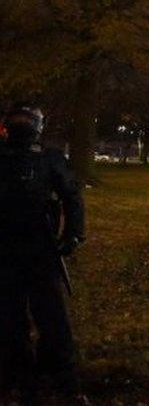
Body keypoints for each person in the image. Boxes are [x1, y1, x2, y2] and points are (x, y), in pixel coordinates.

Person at [0, 103, 86, 402]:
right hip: (6, 252)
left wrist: (74, 233)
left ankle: (63, 376)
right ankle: (17, 374)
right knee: (10, 319)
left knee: (53, 318)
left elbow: (72, 197)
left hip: (41, 250)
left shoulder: (49, 159)